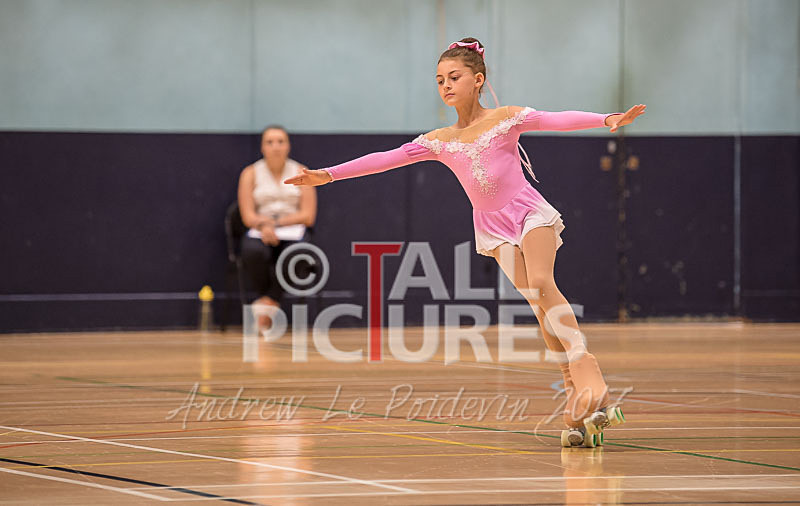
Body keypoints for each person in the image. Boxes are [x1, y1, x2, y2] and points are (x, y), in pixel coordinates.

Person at [285, 38, 645, 447]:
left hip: (528, 212)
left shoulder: (506, 118)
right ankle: (575, 397)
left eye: (454, 77)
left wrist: (606, 119)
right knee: (536, 303)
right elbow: (384, 158)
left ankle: (586, 369)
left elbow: (555, 119)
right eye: (440, 80)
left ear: (478, 80)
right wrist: (328, 175)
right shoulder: (439, 139)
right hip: (492, 225)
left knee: (543, 284)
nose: (446, 86)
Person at [238, 125, 317, 326]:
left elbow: (308, 215)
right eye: (270, 142)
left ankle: (267, 304)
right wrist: (264, 226)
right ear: (262, 147)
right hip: (261, 230)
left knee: (298, 254)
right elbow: (247, 215)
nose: (275, 147)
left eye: (280, 141)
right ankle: (269, 303)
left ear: (288, 146)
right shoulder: (250, 173)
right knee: (252, 252)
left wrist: (276, 223)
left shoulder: (302, 171)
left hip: (293, 229)